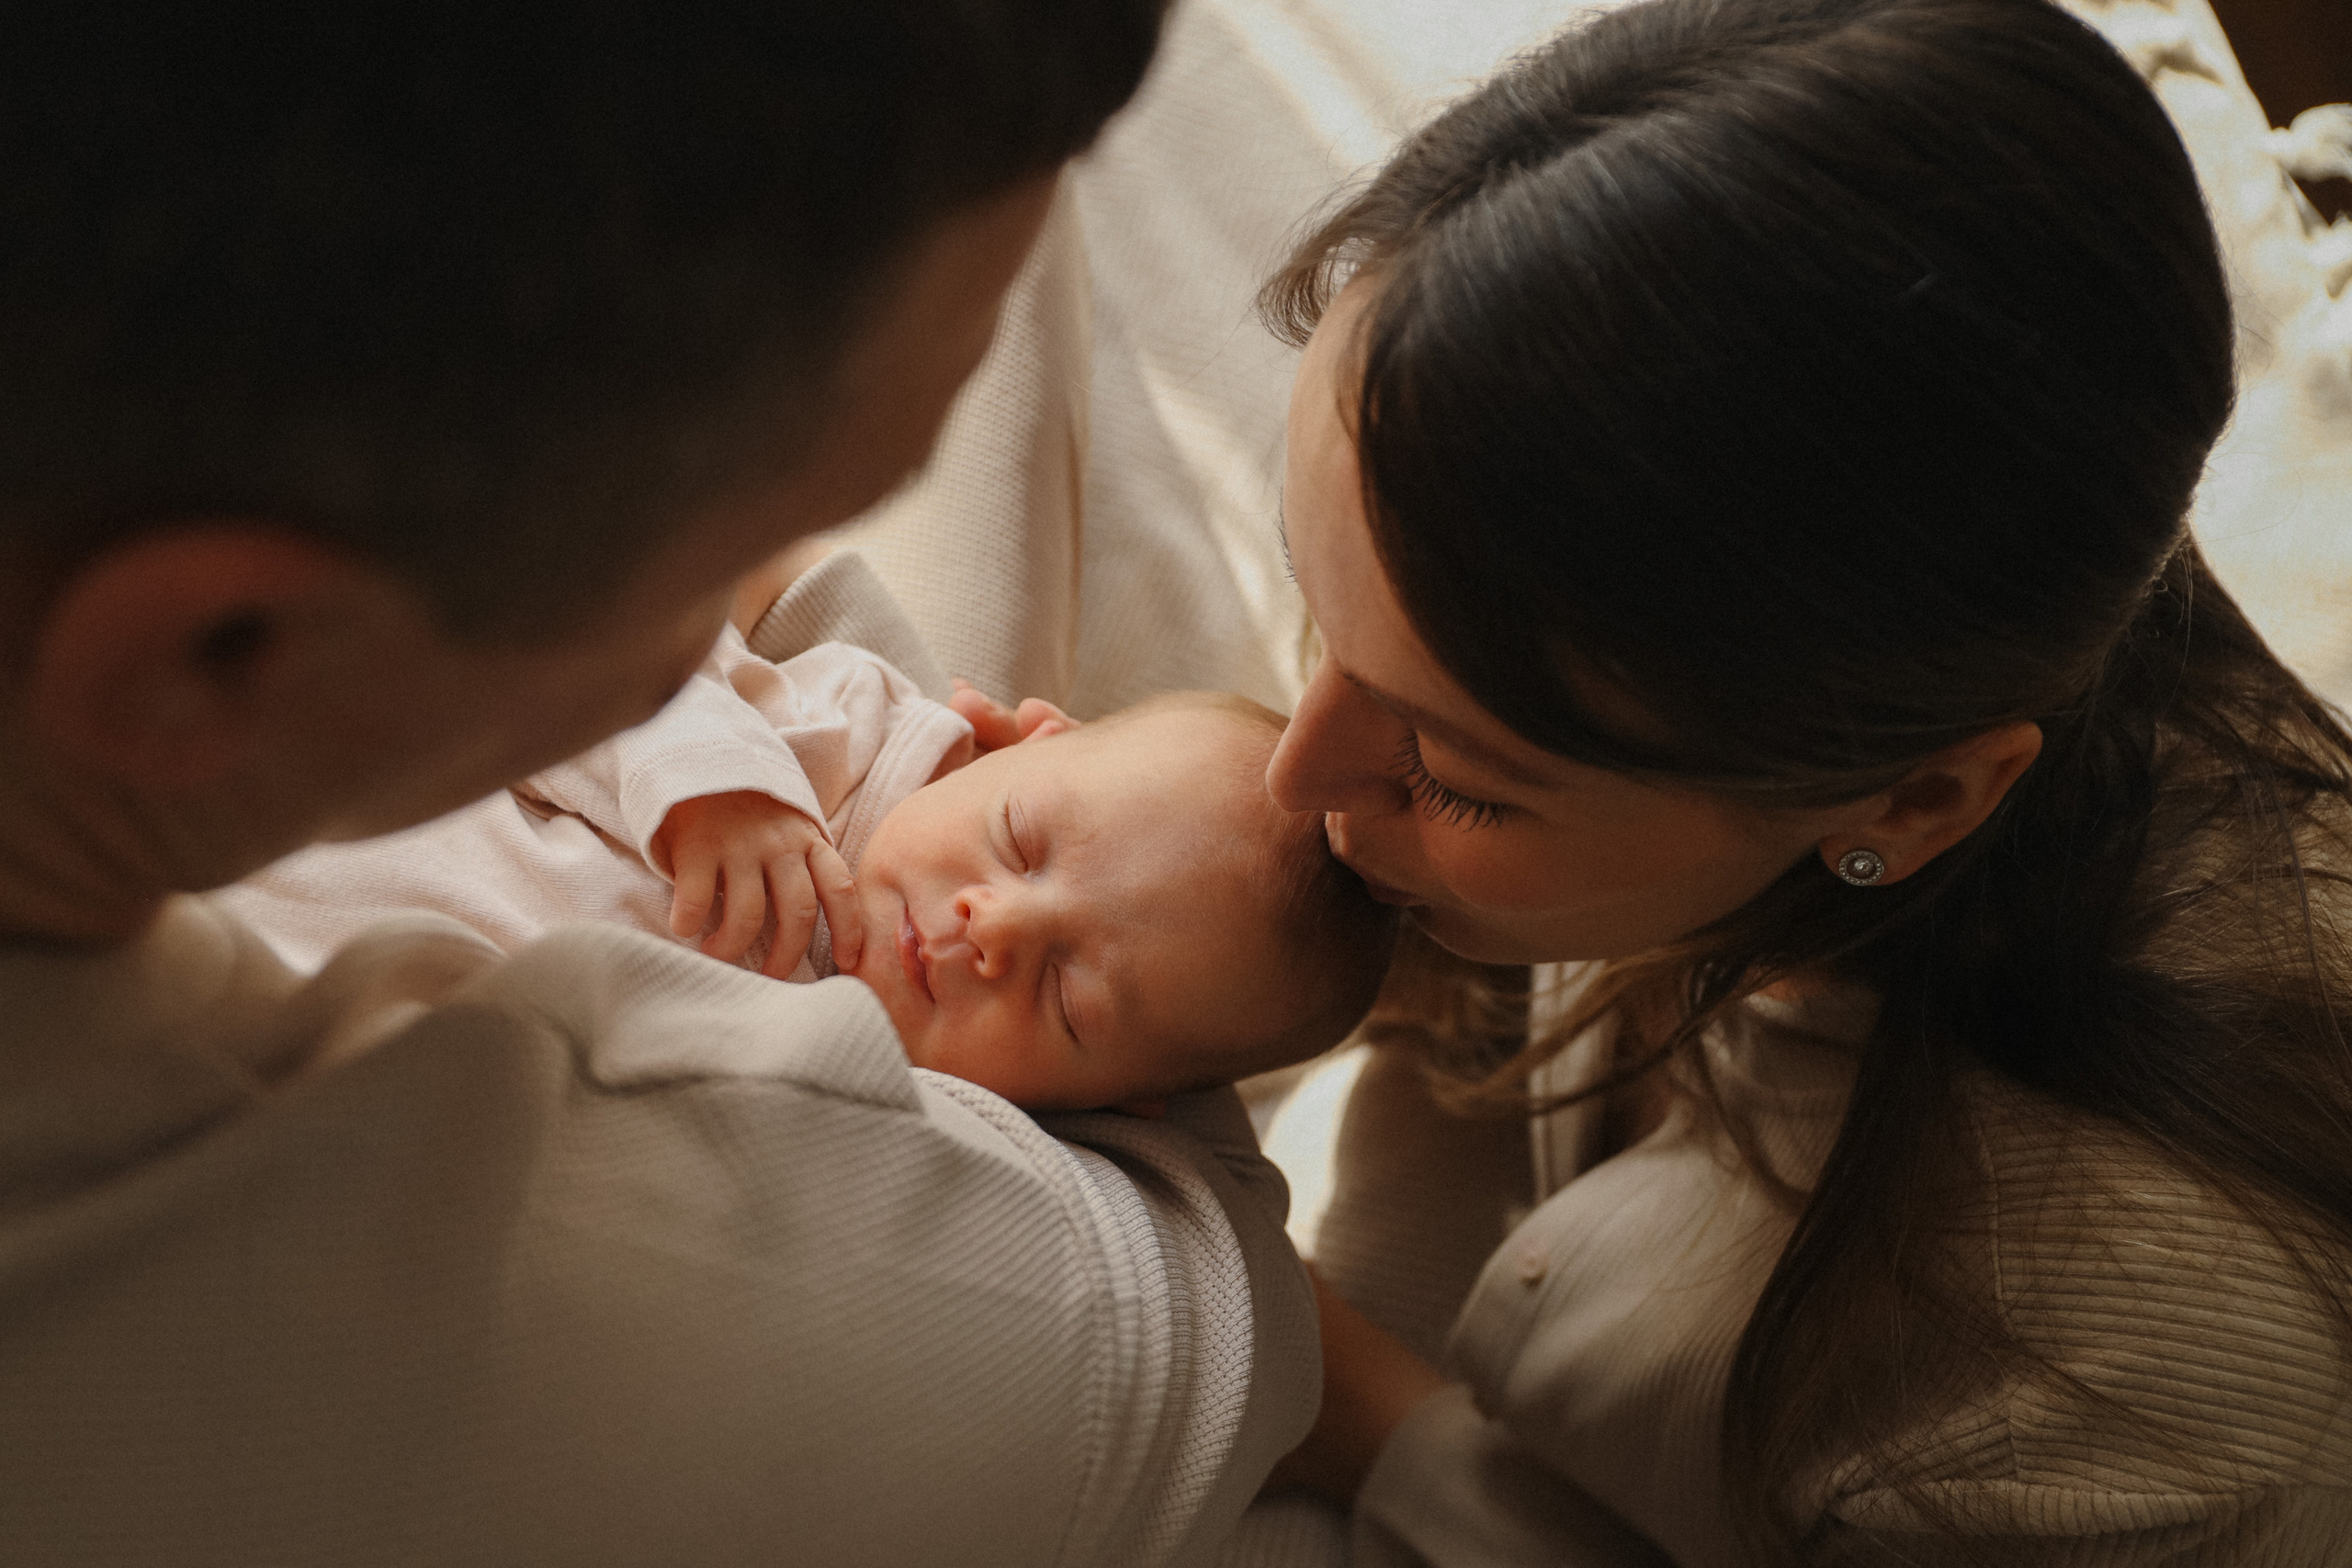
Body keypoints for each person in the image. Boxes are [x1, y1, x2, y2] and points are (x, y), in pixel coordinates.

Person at [0, 5, 1333, 1564]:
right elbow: (1181, 1312)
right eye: (721, 558)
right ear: (220, 652)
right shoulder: (485, 1285)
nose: (753, 611)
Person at [1234, 0, 2352, 1562]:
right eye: (1316, 596)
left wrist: (1365, 1405)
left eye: (1460, 775)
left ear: (1908, 808)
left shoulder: (2125, 1395)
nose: (1296, 779)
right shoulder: (1622, 621)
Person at [221, 552, 1396, 1111]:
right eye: (1021, 840)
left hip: (316, 1074)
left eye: (1070, 1002)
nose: (994, 928)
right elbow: (600, 648)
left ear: (1115, 1102)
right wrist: (716, 784)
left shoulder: (912, 1110)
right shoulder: (839, 749)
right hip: (254, 866)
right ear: (1018, 741)